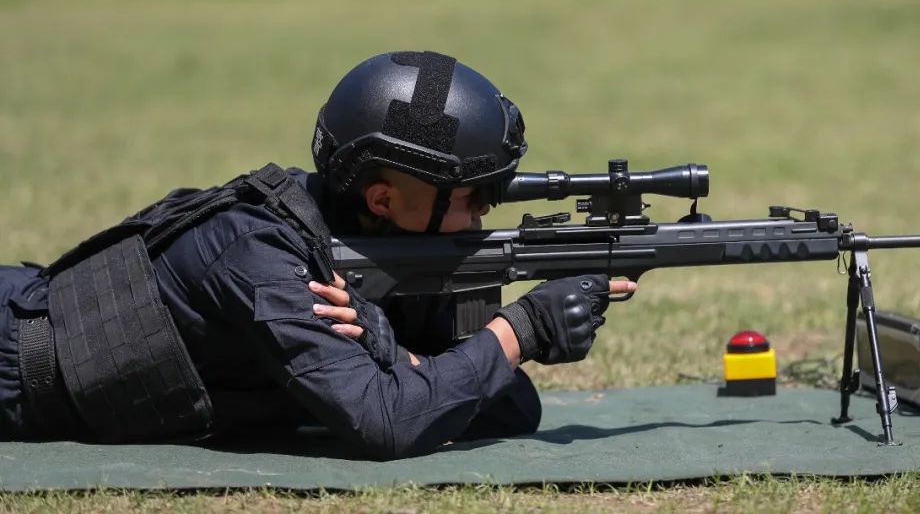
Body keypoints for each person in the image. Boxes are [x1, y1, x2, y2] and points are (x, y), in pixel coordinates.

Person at [0, 50, 634, 460]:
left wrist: (401, 350)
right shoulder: (264, 258)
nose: (485, 213)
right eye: (472, 195)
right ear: (385, 198)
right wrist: (519, 330)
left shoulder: (376, 246)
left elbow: (509, 411)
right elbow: (387, 422)